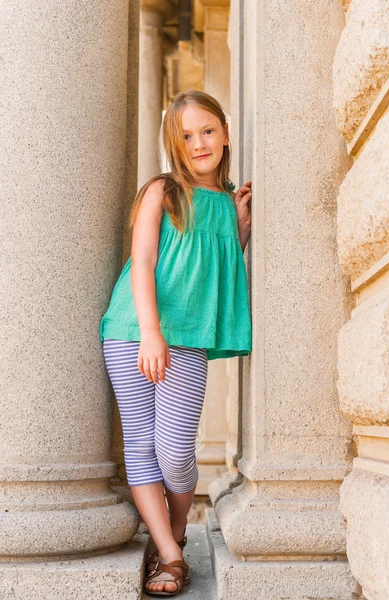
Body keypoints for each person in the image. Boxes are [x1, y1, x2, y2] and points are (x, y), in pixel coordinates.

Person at [99, 89, 252, 596]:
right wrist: (150, 331)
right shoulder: (162, 191)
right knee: (142, 447)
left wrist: (241, 233)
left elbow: (212, 270)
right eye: (186, 135)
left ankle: (179, 531)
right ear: (174, 144)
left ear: (225, 134)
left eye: (207, 130)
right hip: (132, 331)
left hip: (186, 339)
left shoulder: (229, 205)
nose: (199, 142)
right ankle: (168, 554)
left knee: (174, 449)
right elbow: (142, 261)